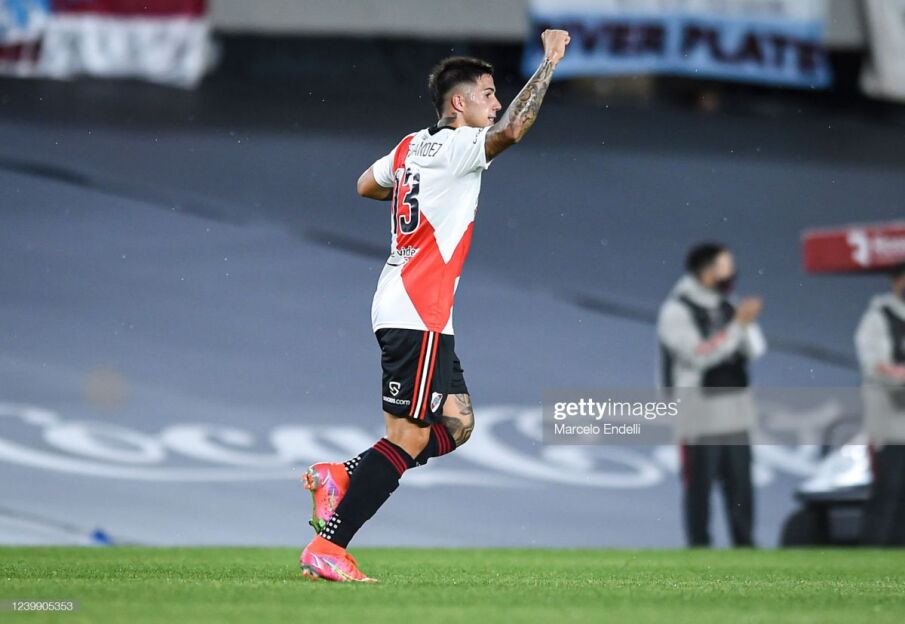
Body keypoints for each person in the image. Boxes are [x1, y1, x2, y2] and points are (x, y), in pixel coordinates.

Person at [298, 29, 572, 582]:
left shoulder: (410, 146)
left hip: (416, 306)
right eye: (488, 93)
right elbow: (512, 130)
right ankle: (328, 546)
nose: (496, 102)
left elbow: (365, 185)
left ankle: (342, 474)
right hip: (416, 310)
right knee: (408, 436)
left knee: (458, 421)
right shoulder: (456, 146)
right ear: (459, 103)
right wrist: (549, 61)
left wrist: (413, 191)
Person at [657, 242, 767, 547]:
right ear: (706, 272)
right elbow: (700, 355)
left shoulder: (728, 305)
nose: (732, 273)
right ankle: (699, 551)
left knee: (740, 484)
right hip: (699, 412)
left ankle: (745, 549)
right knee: (700, 486)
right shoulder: (677, 310)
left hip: (735, 410)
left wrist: (744, 324)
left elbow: (756, 349)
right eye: (726, 267)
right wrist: (737, 327)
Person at [857, 262, 905, 546]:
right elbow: (874, 367)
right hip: (889, 420)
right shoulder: (877, 317)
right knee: (888, 487)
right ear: (895, 281)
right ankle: (873, 550)